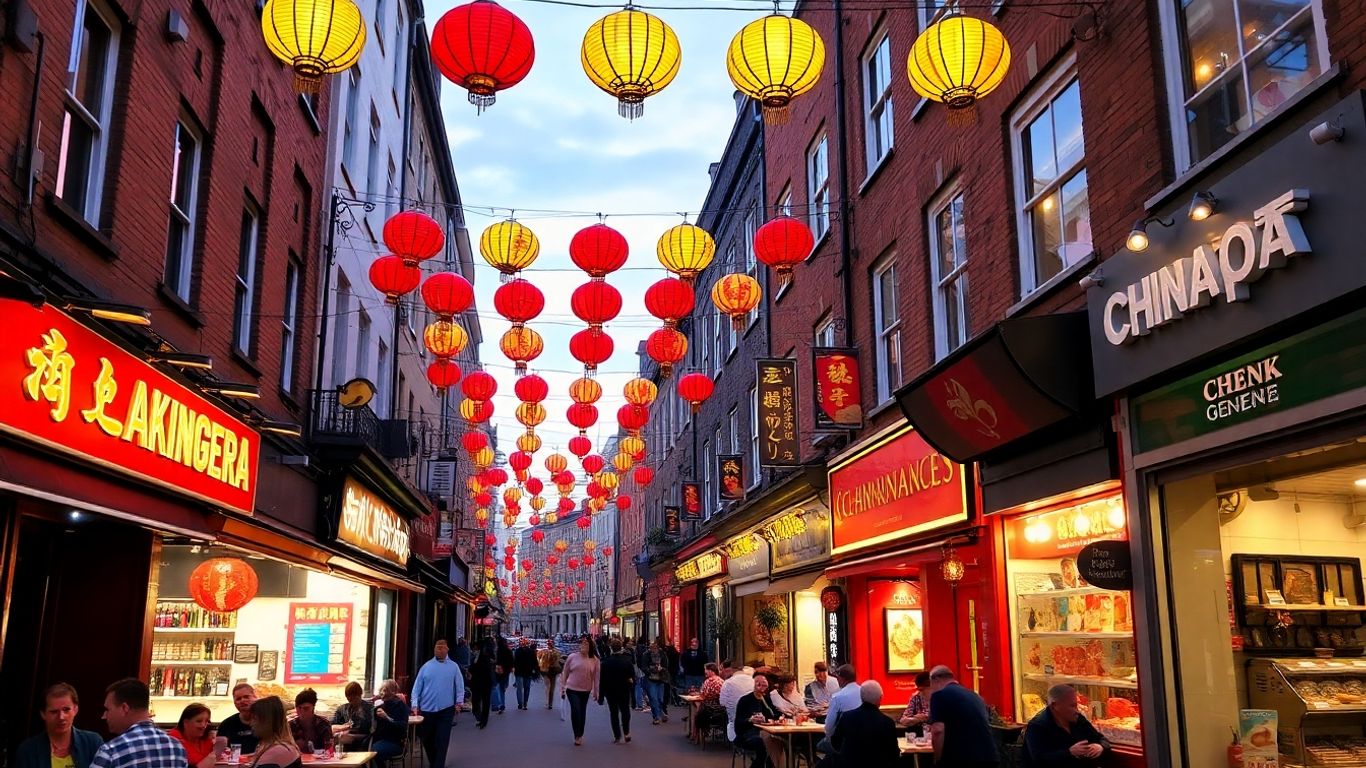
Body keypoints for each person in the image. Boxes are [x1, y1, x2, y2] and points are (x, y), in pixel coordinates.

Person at [89, 678, 185, 768]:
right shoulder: (177, 748)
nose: (104, 716)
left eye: (108, 709)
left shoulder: (111, 752)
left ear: (124, 708)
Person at [16, 683, 104, 768]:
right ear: (43, 714)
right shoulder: (28, 750)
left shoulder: (92, 742)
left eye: (66, 710)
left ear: (75, 710)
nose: (61, 717)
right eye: (54, 712)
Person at [927, 665, 999, 768]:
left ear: (936, 679)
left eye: (930, 684)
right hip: (989, 755)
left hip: (961, 758)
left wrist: (937, 760)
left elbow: (938, 730)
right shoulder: (975, 696)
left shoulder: (939, 695)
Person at [1023, 684, 1112, 767]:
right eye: (1072, 706)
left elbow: (1101, 739)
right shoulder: (1037, 726)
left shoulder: (1078, 718)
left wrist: (1100, 747)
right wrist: (1069, 753)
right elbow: (1039, 760)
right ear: (1055, 706)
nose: (1077, 710)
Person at [411, 639, 464, 768]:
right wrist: (414, 704)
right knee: (427, 739)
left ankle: (438, 764)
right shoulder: (426, 667)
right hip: (427, 709)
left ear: (447, 650)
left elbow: (460, 685)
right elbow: (417, 687)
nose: (439, 650)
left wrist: (459, 703)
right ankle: (434, 761)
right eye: (437, 648)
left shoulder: (453, 667)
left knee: (442, 739)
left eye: (442, 648)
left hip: (446, 709)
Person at [830, 681, 899, 768]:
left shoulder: (847, 717)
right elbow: (894, 754)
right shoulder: (887, 723)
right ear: (880, 698)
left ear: (861, 697)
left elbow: (835, 742)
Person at [733, 673, 782, 768]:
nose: (761, 688)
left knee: (778, 742)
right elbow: (738, 725)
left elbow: (775, 715)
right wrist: (750, 720)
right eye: (758, 684)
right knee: (763, 744)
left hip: (765, 732)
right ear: (753, 685)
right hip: (746, 734)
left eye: (764, 685)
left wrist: (772, 718)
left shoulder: (766, 699)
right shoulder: (745, 700)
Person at [560, 636, 600, 746]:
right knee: (576, 710)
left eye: (586, 645)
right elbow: (565, 673)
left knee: (582, 712)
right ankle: (576, 735)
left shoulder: (595, 660)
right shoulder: (572, 657)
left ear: (590, 647)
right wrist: (563, 687)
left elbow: (596, 678)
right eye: (582, 644)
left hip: (586, 689)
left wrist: (596, 692)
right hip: (572, 688)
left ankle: (580, 733)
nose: (583, 646)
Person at [597, 637, 636, 744]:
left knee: (613, 713)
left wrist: (601, 697)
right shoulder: (627, 662)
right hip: (624, 690)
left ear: (611, 648)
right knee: (625, 711)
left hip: (610, 692)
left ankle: (617, 736)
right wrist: (634, 697)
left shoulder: (605, 663)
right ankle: (627, 732)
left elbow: (602, 681)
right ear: (621, 648)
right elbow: (633, 679)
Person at [818, 664, 862, 755]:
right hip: (864, 741)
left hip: (844, 743)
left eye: (838, 678)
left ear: (842, 679)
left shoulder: (837, 697)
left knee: (817, 745)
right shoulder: (864, 692)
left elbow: (828, 727)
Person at [244, 697, 300, 768]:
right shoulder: (282, 747)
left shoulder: (278, 752)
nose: (251, 723)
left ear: (267, 722)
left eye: (254, 718)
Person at [169, 704, 225, 768]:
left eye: (206, 721)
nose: (204, 725)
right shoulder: (173, 741)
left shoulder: (207, 738)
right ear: (186, 722)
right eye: (199, 721)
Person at [370, 680, 409, 761]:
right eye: (381, 690)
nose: (382, 693)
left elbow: (402, 727)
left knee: (375, 751)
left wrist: (387, 717)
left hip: (395, 741)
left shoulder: (399, 705)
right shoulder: (380, 705)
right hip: (379, 739)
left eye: (385, 690)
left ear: (392, 692)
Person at [218, 684, 259, 755]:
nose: (242, 701)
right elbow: (219, 752)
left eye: (246, 697)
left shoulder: (267, 721)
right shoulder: (226, 724)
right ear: (234, 703)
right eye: (238, 699)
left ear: (255, 697)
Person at [719, 663, 757, 741]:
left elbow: (722, 702)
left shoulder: (728, 682)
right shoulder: (753, 681)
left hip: (735, 721)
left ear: (732, 671)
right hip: (753, 720)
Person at [331, 683, 374, 749]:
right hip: (344, 734)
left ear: (359, 695)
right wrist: (344, 727)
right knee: (336, 736)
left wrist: (347, 731)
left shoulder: (369, 709)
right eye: (348, 698)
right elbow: (332, 726)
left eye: (354, 698)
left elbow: (368, 729)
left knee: (340, 738)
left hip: (362, 736)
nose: (351, 700)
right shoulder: (342, 709)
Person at [468, 639, 496, 728]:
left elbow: (478, 668)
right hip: (481, 682)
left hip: (483, 682)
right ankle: (482, 719)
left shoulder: (484, 657)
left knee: (483, 701)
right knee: (481, 701)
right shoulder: (481, 656)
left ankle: (483, 720)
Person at [641, 639, 671, 724]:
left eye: (655, 648)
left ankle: (661, 712)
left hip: (660, 679)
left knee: (660, 699)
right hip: (650, 679)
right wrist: (651, 670)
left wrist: (662, 669)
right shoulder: (646, 655)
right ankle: (656, 717)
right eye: (652, 648)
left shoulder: (662, 654)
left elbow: (666, 665)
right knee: (653, 698)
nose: (653, 649)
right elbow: (643, 667)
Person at [512, 637, 539, 710]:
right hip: (528, 672)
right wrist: (534, 670)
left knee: (520, 688)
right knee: (526, 688)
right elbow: (535, 662)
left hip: (519, 672)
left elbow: (514, 661)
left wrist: (514, 668)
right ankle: (525, 703)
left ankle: (521, 703)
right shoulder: (531, 651)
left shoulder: (517, 651)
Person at [539, 640, 565, 710]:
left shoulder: (544, 652)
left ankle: (548, 702)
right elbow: (560, 661)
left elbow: (540, 661)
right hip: (553, 672)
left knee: (548, 687)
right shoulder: (556, 652)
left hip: (546, 671)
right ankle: (550, 703)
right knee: (552, 688)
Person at [494, 636, 515, 714]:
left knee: (498, 687)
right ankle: (501, 703)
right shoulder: (508, 651)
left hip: (498, 671)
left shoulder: (497, 651)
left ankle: (501, 704)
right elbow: (512, 661)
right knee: (502, 687)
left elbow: (496, 661)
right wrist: (510, 668)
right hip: (506, 671)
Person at [661, 637, 681, 705]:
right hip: (674, 670)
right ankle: (676, 700)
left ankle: (671, 699)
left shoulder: (667, 652)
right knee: (674, 685)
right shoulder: (675, 652)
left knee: (668, 685)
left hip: (668, 670)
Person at [633, 638, 651, 711]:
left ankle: (639, 703)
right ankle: (647, 702)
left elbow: (635, 661)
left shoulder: (636, 649)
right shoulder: (646, 650)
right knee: (645, 687)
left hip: (638, 669)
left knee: (638, 686)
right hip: (645, 670)